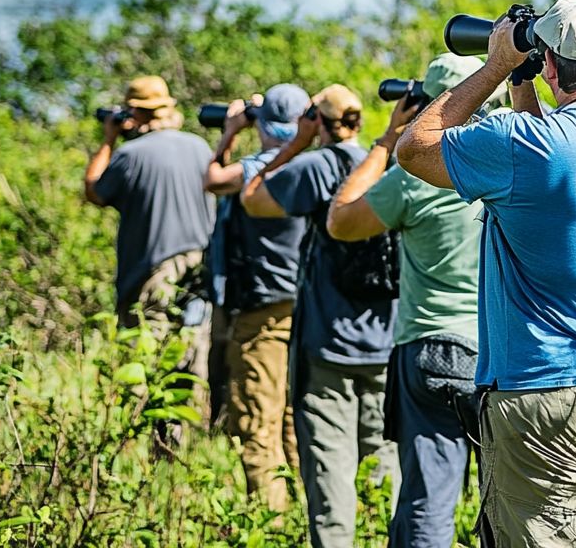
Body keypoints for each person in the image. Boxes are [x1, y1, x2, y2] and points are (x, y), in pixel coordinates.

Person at [396, 0, 576, 548]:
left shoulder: (520, 147)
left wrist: (497, 65)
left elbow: (413, 148)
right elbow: (546, 160)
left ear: (550, 64)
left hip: (541, 395)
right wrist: (524, 82)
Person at [329, 55, 486, 548]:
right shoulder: (504, 157)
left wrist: (385, 142)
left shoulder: (413, 172)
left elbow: (342, 221)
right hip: (497, 353)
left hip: (429, 343)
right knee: (507, 501)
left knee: (428, 499)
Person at [241, 84, 399, 548]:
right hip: (385, 340)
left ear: (318, 120)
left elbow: (252, 197)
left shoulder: (315, 167)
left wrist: (295, 143)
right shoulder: (388, 165)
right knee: (384, 459)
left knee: (329, 465)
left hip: (328, 341)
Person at [203, 83, 309, 510]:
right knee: (291, 419)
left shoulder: (257, 171)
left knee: (256, 420)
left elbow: (212, 179)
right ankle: (306, 514)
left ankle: (270, 523)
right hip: (302, 309)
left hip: (260, 311)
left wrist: (229, 131)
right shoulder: (315, 168)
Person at [84, 74, 214, 391]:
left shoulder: (131, 155)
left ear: (134, 113)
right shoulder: (200, 147)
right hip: (199, 269)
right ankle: (185, 435)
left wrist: (108, 139)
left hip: (153, 272)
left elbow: (94, 191)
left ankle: (151, 435)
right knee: (189, 353)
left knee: (148, 360)